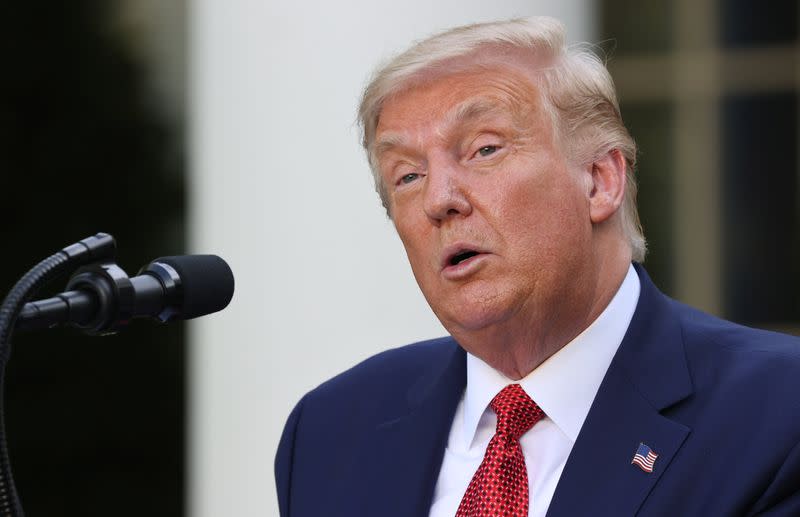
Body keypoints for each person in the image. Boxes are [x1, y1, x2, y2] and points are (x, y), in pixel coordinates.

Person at [274, 17, 800, 517]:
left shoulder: (776, 411)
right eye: (407, 176)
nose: (439, 199)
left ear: (599, 180)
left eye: (483, 149)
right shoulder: (331, 431)